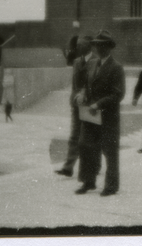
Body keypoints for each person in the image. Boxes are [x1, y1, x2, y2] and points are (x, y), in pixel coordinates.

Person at [75, 30, 126, 197]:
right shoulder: (92, 64)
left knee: (110, 152)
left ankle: (111, 186)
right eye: (96, 45)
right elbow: (86, 85)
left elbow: (118, 94)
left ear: (109, 48)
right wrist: (82, 94)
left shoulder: (116, 67)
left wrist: (99, 104)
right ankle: (88, 182)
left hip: (108, 116)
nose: (98, 48)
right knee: (85, 145)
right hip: (90, 115)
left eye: (102, 45)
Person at [55, 35, 95, 177]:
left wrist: (85, 95)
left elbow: (94, 84)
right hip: (76, 105)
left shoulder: (97, 61)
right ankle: (68, 167)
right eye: (77, 45)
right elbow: (74, 84)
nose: (78, 47)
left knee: (91, 137)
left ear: (89, 46)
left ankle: (95, 165)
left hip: (90, 105)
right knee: (74, 136)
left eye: (81, 45)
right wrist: (74, 98)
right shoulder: (77, 61)